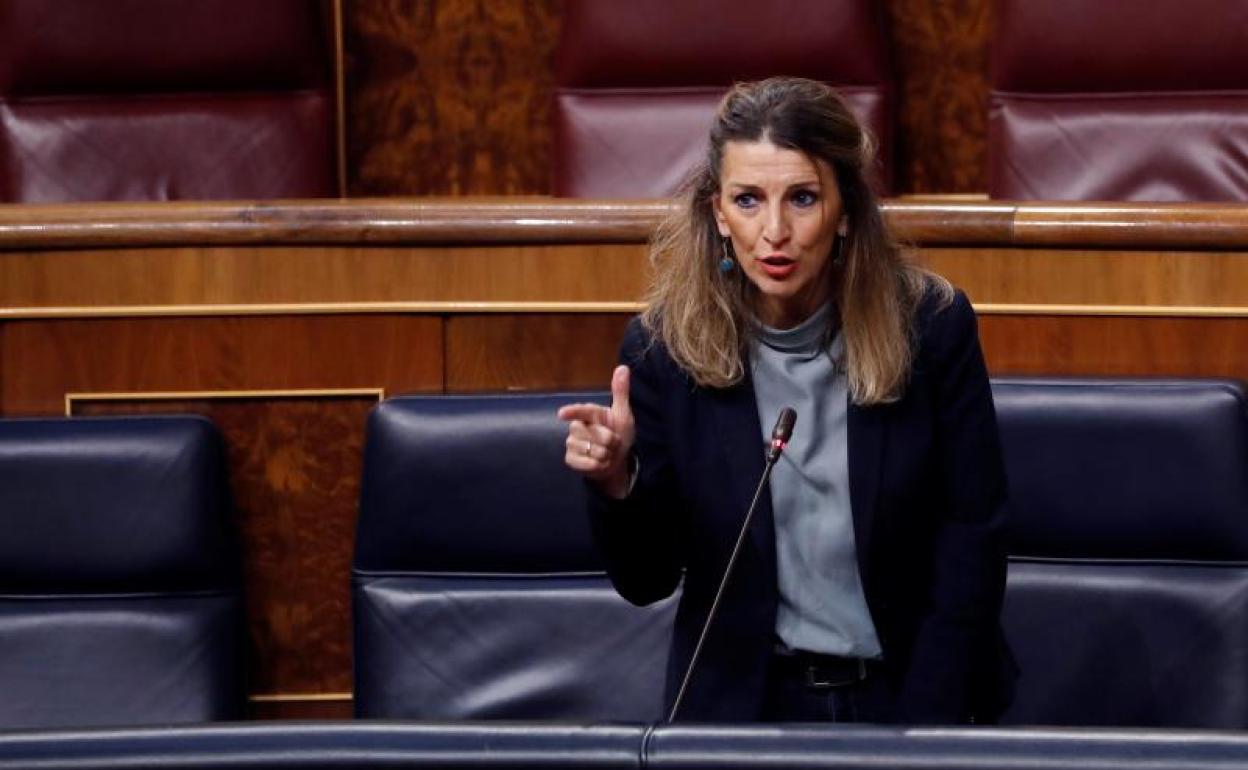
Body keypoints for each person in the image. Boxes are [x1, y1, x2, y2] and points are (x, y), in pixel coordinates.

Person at [558, 77, 1014, 724]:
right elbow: (648, 579)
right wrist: (617, 484)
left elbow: (974, 537)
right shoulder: (665, 350)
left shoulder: (930, 328)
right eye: (748, 200)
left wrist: (925, 730)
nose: (774, 231)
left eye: (802, 198)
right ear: (718, 213)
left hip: (909, 695)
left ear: (846, 208)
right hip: (743, 711)